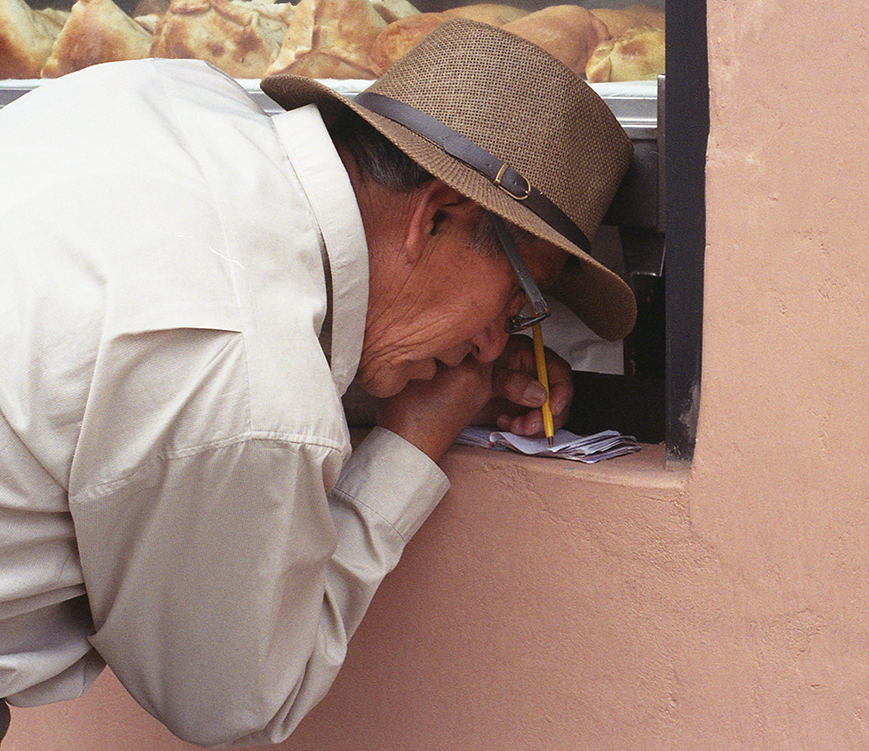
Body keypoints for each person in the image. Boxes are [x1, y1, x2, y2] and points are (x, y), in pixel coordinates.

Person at [0, 19, 635, 747]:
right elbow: (234, 698)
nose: (495, 343)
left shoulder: (173, 98)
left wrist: (404, 377)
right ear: (436, 217)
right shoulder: (245, 367)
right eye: (519, 305)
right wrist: (412, 438)